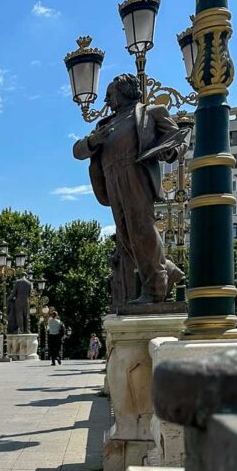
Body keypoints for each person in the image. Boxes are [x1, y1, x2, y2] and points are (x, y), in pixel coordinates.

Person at [73, 72, 186, 305]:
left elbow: (179, 139)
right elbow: (78, 151)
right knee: (125, 236)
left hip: (135, 173)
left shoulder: (151, 112)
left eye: (110, 95)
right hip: (112, 178)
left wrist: (171, 152)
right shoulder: (104, 124)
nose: (106, 101)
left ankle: (154, 289)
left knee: (142, 230)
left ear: (124, 91)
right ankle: (169, 270)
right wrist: (93, 141)